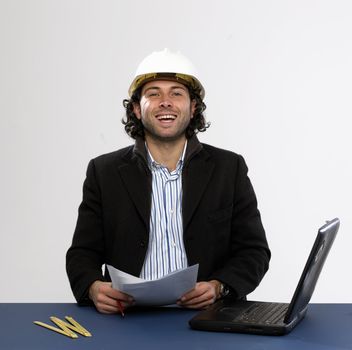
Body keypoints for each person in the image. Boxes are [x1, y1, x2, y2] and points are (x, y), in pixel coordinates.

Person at [66, 48, 270, 314]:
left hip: (208, 318)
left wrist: (219, 287)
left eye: (176, 93)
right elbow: (82, 253)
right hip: (127, 319)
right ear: (137, 109)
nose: (166, 102)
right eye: (154, 94)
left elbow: (254, 251)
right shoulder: (104, 172)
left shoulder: (228, 169)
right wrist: (93, 287)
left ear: (193, 107)